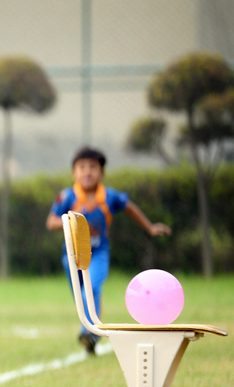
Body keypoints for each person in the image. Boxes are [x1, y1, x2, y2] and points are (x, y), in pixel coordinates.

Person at [46, 147, 171, 354]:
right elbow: (50, 222)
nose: (87, 172)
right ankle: (91, 333)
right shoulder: (67, 196)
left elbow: (130, 208)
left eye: (93, 168)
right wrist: (71, 219)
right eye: (82, 167)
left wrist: (149, 227)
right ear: (74, 173)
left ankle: (91, 333)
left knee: (91, 288)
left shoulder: (110, 196)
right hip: (71, 256)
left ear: (102, 173)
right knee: (81, 296)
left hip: (98, 254)